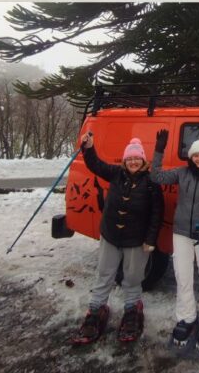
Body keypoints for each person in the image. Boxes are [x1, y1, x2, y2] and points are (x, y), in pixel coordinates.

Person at [72, 130, 164, 346]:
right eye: (129, 158)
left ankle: (132, 310)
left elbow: (156, 214)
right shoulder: (116, 174)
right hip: (111, 235)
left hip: (136, 239)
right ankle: (96, 311)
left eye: (137, 158)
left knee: (132, 278)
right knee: (104, 274)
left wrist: (151, 240)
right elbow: (95, 164)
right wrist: (88, 147)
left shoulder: (151, 182)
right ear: (125, 160)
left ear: (143, 159)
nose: (133, 161)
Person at [150, 130, 199, 352]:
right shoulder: (182, 173)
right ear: (190, 157)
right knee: (183, 277)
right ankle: (186, 317)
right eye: (196, 155)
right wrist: (159, 150)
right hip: (181, 233)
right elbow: (156, 176)